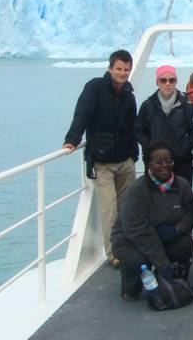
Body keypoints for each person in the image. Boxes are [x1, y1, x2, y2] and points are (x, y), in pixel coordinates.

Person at [63, 49, 138, 267]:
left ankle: (127, 245)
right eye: (119, 69)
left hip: (125, 161)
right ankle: (114, 253)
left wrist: (134, 154)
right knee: (109, 209)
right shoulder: (94, 88)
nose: (122, 73)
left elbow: (131, 127)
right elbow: (82, 114)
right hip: (102, 162)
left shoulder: (128, 95)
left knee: (128, 207)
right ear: (110, 68)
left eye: (126, 69)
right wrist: (72, 139)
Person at [111, 142, 193, 303]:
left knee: (185, 244)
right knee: (136, 260)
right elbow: (136, 229)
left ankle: (175, 281)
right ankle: (130, 286)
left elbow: (192, 214)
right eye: (158, 162)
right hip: (131, 239)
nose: (164, 165)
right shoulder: (137, 190)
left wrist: (177, 229)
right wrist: (162, 263)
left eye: (168, 161)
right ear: (149, 164)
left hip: (165, 235)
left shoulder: (182, 185)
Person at [135, 65, 193, 185]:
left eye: (171, 80)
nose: (167, 84)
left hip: (182, 162)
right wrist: (150, 146)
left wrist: (185, 147)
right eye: (163, 80)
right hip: (156, 164)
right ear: (157, 82)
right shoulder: (148, 105)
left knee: (182, 197)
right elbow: (138, 130)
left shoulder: (186, 104)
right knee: (156, 198)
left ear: (176, 82)